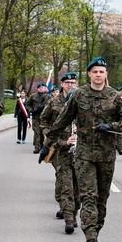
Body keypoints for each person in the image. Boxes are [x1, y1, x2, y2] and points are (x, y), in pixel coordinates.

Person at [48, 57, 122, 242]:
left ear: (106, 74)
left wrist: (111, 126)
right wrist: (49, 142)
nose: (98, 75)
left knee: (102, 198)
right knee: (88, 196)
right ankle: (90, 239)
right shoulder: (79, 95)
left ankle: (96, 231)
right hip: (84, 154)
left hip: (106, 155)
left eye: (101, 72)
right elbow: (63, 119)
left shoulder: (114, 97)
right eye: (94, 71)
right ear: (89, 74)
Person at [39, 72, 80, 233]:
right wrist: (49, 136)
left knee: (77, 187)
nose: (70, 85)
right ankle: (69, 218)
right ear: (62, 84)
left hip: (79, 151)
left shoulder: (80, 101)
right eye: (67, 82)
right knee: (66, 184)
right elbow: (44, 120)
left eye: (73, 82)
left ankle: (73, 210)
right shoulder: (54, 101)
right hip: (60, 148)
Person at [27, 83, 50, 153]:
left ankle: (43, 146)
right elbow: (27, 104)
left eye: (42, 88)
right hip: (36, 117)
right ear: (37, 89)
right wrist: (31, 110)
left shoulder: (47, 97)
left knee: (43, 132)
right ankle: (37, 147)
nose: (41, 89)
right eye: (39, 88)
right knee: (37, 132)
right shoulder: (33, 96)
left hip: (44, 118)